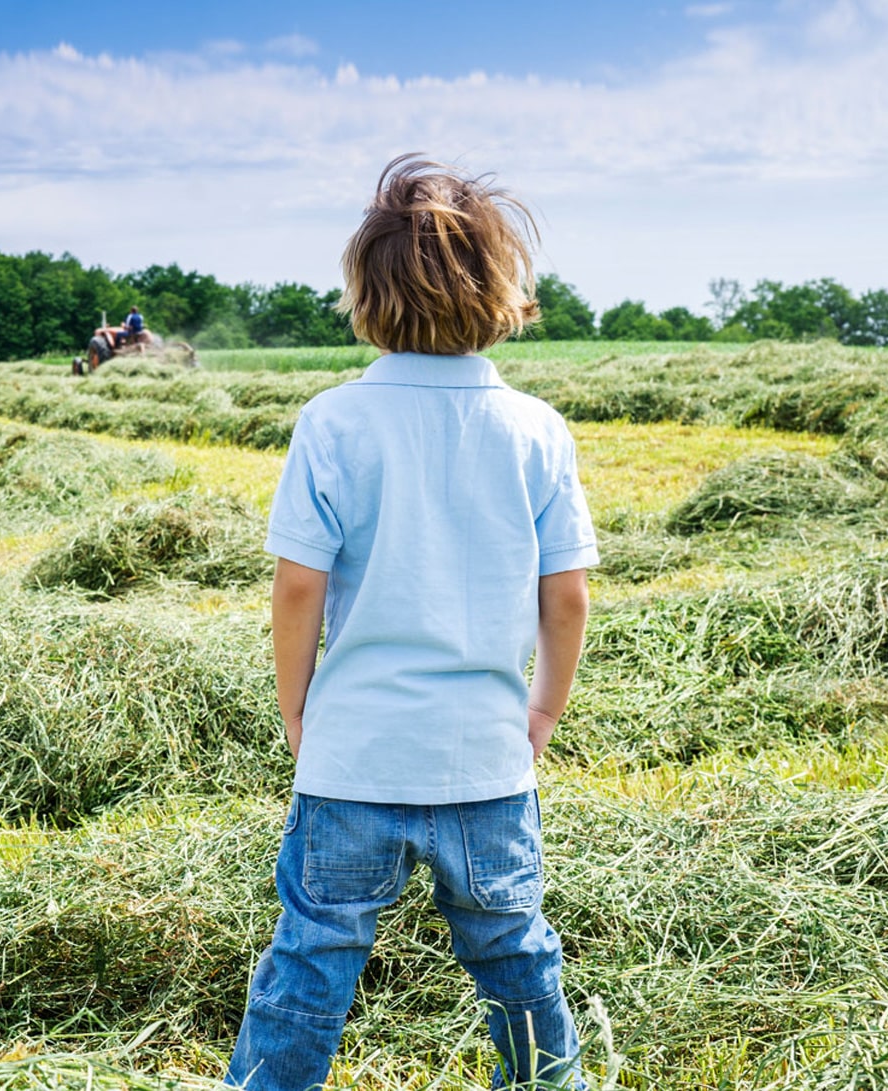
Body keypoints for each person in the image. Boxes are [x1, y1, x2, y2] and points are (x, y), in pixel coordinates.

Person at [226, 155, 597, 1091]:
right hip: (485, 757)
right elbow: (567, 598)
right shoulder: (535, 428)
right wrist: (543, 712)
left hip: (354, 751)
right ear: (504, 292)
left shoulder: (333, 421)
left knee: (313, 954)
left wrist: (300, 710)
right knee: (515, 952)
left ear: (366, 295)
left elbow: (298, 589)